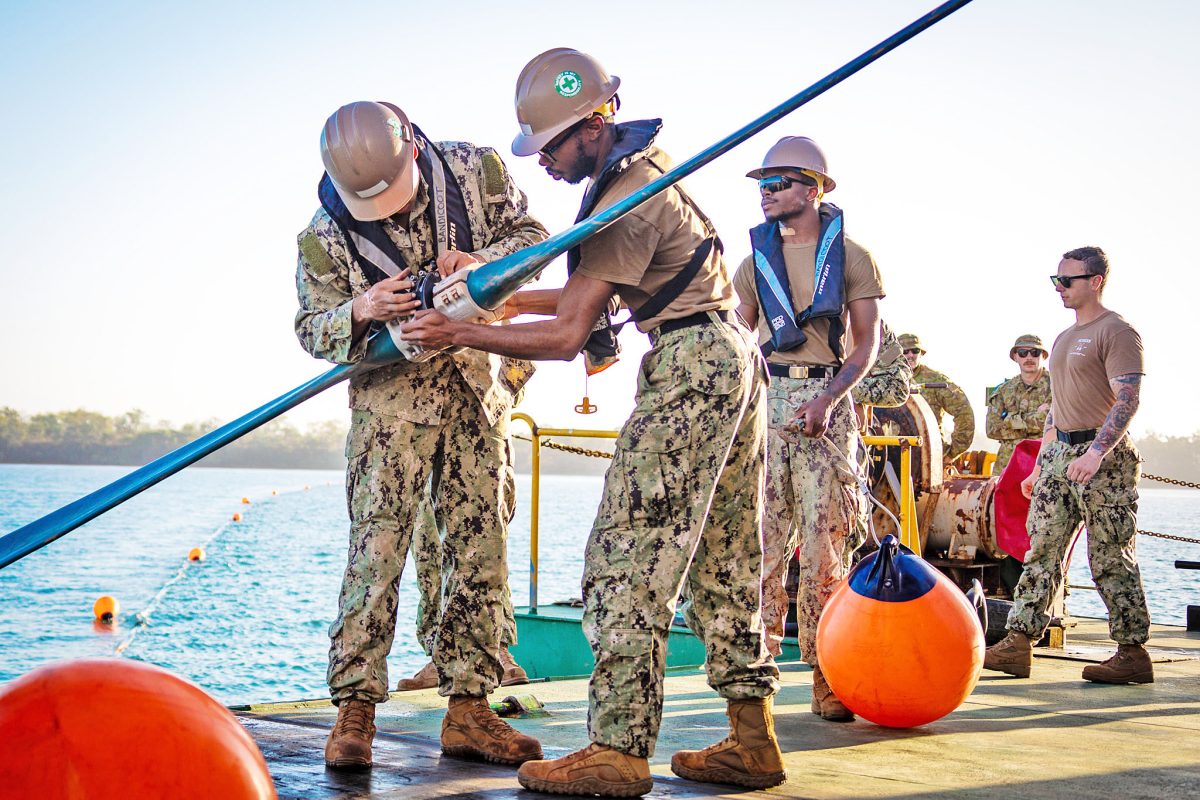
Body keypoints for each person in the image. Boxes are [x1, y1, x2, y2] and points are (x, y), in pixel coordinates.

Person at [401, 48, 784, 795]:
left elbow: (572, 330)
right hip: (729, 358)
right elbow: (589, 293)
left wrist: (461, 333)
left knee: (624, 563)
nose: (540, 161)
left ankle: (617, 747)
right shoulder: (645, 174)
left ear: (593, 124)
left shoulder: (620, 199)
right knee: (725, 559)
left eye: (549, 145)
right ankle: (752, 738)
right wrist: (492, 299)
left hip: (690, 369)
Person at [294, 100, 548, 770]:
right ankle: (354, 713)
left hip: (475, 391)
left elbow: (534, 240)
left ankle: (469, 710)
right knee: (374, 557)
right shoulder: (324, 234)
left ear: (411, 145)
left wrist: (481, 264)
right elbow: (309, 329)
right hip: (389, 409)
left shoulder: (476, 169)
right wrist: (361, 309)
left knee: (481, 554)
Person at [731, 136, 884, 722]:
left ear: (813, 188)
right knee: (761, 546)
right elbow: (740, 343)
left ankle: (828, 674)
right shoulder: (751, 264)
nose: (766, 195)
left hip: (827, 402)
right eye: (761, 186)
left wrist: (828, 398)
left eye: (778, 184)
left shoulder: (854, 257)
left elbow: (866, 342)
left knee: (826, 550)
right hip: (768, 403)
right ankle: (755, 679)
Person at [984, 246, 1152, 684]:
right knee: (1040, 550)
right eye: (1055, 281)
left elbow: (1128, 399)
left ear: (1095, 281)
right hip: (1059, 456)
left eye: (1068, 280)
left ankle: (1132, 652)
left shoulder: (1117, 332)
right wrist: (1041, 465)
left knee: (1110, 555)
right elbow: (1056, 408)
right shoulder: (1061, 338)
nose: (1059, 288)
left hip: (1104, 458)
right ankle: (1018, 644)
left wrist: (1097, 453)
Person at [394, 485, 529, 691]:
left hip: (474, 464)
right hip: (421, 464)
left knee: (485, 553)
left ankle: (498, 650)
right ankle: (440, 657)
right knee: (429, 559)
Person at [900, 333, 975, 463]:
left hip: (929, 457)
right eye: (905, 351)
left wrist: (952, 453)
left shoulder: (936, 380)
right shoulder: (886, 382)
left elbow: (964, 412)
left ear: (921, 353)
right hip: (892, 455)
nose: (910, 355)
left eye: (915, 351)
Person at [986, 334, 1052, 474]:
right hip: (1008, 465)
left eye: (1035, 352)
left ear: (1043, 356)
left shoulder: (1058, 387)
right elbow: (992, 429)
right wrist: (1037, 420)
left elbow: (1057, 423)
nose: (1029, 357)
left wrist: (1010, 420)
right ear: (1015, 357)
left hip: (1046, 465)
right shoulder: (1003, 391)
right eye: (1023, 353)